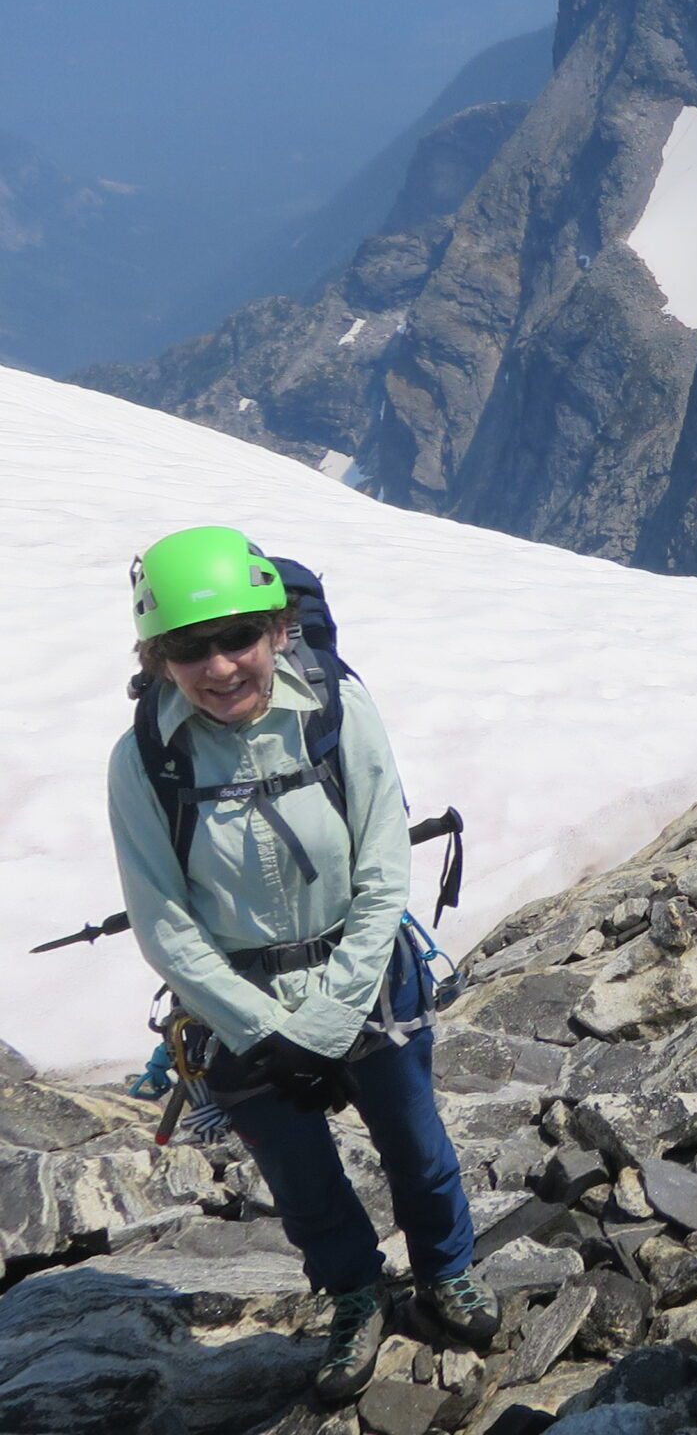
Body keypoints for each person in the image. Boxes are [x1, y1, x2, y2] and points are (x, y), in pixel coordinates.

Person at [106, 528, 494, 1406]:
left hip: (363, 983)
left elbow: (383, 868)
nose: (219, 666)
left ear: (279, 632)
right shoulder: (147, 762)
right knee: (305, 1185)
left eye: (237, 636)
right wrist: (260, 1028)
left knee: (419, 1150)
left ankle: (446, 1269)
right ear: (159, 658)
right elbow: (164, 924)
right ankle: (356, 1295)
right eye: (189, 648)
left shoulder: (335, 711)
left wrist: (323, 1019)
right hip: (236, 1005)